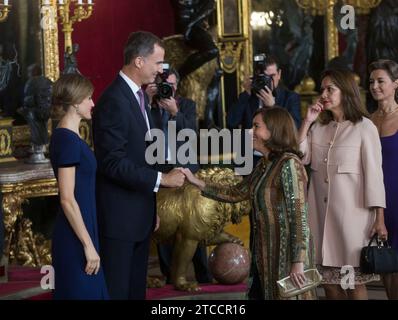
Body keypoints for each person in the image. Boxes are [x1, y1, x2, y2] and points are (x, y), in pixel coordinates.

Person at [183, 107, 314, 300]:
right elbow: (236, 193)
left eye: (256, 126)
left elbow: (299, 216)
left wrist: (298, 261)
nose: (250, 131)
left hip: (286, 258)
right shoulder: (263, 165)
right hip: (263, 254)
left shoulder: (289, 164)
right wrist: (196, 182)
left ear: (273, 131)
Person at [92, 31, 185, 300]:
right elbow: (112, 163)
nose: (161, 70)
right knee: (119, 292)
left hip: (140, 214)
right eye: (158, 63)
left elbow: (143, 154)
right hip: (119, 218)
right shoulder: (113, 100)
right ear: (139, 61)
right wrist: (162, 180)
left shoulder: (140, 97)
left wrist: (151, 206)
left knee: (135, 292)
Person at [298, 68, 387, 300]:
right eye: (322, 89)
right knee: (328, 286)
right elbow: (299, 156)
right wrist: (307, 122)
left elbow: (375, 176)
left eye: (330, 89)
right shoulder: (318, 128)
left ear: (345, 92)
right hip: (320, 223)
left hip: (352, 224)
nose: (324, 94)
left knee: (352, 285)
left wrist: (379, 219)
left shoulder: (364, 128)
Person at [146, 66, 212, 285]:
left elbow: (191, 134)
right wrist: (147, 101)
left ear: (177, 86)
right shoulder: (147, 107)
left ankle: (203, 274)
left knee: (194, 223)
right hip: (161, 170)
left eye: (172, 85)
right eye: (164, 85)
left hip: (186, 171)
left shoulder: (187, 105)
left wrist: (175, 112)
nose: (168, 89)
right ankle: (169, 274)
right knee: (166, 223)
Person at [49, 74, 109, 300]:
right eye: (88, 98)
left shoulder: (70, 137)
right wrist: (87, 245)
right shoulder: (66, 140)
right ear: (75, 102)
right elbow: (66, 198)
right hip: (75, 238)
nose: (93, 103)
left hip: (82, 230)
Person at [227, 55, 302, 166]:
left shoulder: (290, 98)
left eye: (273, 76)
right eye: (265, 77)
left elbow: (294, 128)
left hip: (278, 159)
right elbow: (231, 122)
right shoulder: (248, 98)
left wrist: (273, 106)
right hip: (249, 158)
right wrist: (246, 93)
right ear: (257, 77)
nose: (269, 81)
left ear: (279, 74)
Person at [369, 59, 398, 300]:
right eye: (372, 81)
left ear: (396, 83)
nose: (375, 86)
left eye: (381, 81)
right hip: (378, 203)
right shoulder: (367, 121)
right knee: (387, 266)